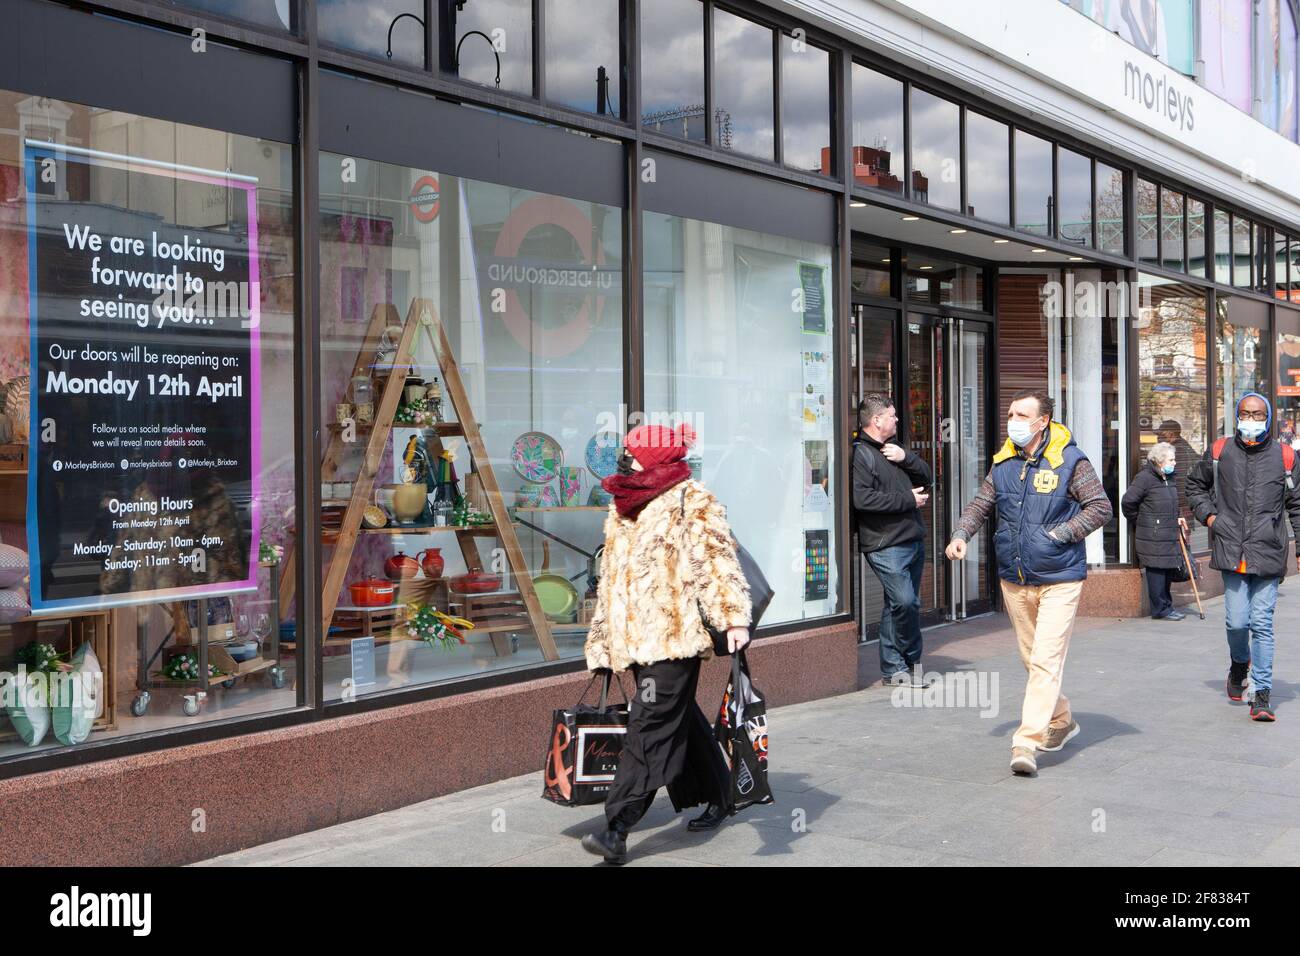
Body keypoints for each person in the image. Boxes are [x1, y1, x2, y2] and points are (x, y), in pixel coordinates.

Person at [580, 422, 753, 864]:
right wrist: (603, 642)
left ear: (654, 457)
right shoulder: (624, 503)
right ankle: (721, 791)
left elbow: (716, 559)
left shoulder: (690, 499)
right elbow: (612, 579)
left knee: (649, 723)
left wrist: (733, 618)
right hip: (635, 639)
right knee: (677, 716)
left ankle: (617, 826)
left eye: (633, 451)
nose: (626, 456)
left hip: (674, 636)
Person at [944, 389, 1113, 776]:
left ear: (1043, 422)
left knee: (1045, 659)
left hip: (1060, 577)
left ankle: (1026, 743)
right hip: (1015, 578)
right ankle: (1062, 719)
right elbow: (982, 503)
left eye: (1022, 415)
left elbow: (1100, 507)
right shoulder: (1004, 461)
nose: (1013, 421)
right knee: (1032, 659)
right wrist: (960, 535)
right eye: (1011, 413)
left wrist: (1062, 534)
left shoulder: (1070, 460)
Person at [1186, 392, 1300, 722]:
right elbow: (1194, 486)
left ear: (1269, 418)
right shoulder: (1221, 452)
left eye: (1258, 414)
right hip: (1230, 548)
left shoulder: (1286, 457)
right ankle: (1239, 664)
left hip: (1269, 550)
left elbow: (1296, 505)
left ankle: (1261, 693)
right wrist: (1211, 518)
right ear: (1237, 415)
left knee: (1261, 622)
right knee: (1237, 620)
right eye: (1246, 414)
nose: (1251, 420)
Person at [851, 394, 932, 686]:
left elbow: (928, 476)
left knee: (896, 605)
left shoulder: (893, 450)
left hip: (912, 537)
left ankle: (894, 668)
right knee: (905, 602)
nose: (897, 419)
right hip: (886, 543)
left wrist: (906, 457)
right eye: (892, 415)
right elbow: (863, 499)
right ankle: (910, 660)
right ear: (877, 420)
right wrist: (907, 498)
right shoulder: (860, 453)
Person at [1121, 442, 1190, 621]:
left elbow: (1172, 503)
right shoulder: (1144, 478)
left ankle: (1167, 606)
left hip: (1168, 533)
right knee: (1157, 572)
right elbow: (1128, 502)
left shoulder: (1169, 478)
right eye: (1171, 459)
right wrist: (1142, 521)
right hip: (1153, 534)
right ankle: (1160, 609)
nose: (1175, 463)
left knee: (1166, 571)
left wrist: (1178, 516)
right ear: (1159, 461)